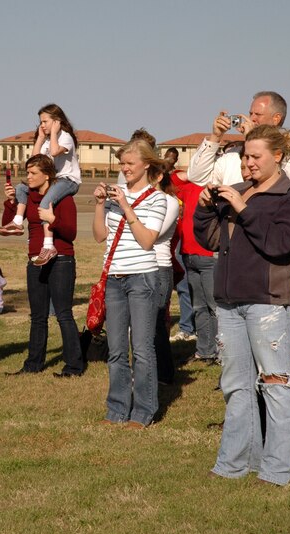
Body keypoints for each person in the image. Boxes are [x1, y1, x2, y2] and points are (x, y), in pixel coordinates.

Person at [193, 125, 290, 486]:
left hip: (270, 304)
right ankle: (235, 463)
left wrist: (244, 208)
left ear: (278, 156)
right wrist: (205, 211)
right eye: (245, 156)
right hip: (230, 302)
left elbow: (278, 244)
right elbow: (211, 238)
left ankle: (278, 470)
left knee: (275, 385)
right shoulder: (238, 192)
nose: (248, 163)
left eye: (256, 156)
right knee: (236, 385)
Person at [93, 140, 168, 428]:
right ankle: (116, 409)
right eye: (122, 164)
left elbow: (148, 240)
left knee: (142, 348)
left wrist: (126, 206)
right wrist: (102, 205)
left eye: (130, 164)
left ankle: (144, 411)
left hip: (142, 279)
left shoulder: (157, 198)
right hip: (114, 277)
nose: (124, 169)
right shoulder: (114, 196)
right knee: (115, 349)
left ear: (146, 164)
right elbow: (100, 236)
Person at [3, 154, 84, 376]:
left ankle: (74, 366)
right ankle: (33, 365)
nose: (28, 177)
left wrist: (52, 219)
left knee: (63, 314)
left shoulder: (64, 198)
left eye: (33, 173)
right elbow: (7, 225)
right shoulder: (27, 198)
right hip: (35, 260)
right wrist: (11, 204)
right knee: (38, 316)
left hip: (61, 260)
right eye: (27, 172)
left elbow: (71, 233)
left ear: (47, 175)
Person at [0, 104, 81, 266]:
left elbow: (55, 151)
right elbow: (35, 161)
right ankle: (18, 222)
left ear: (57, 121)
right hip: (55, 180)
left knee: (44, 204)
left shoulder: (65, 137)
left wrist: (55, 132)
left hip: (67, 180)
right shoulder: (47, 140)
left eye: (45, 121)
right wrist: (41, 138)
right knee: (21, 188)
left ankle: (48, 246)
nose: (42, 125)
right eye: (40, 122)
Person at [188, 91, 290, 189]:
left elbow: (273, 185)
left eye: (258, 114)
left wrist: (252, 139)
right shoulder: (234, 154)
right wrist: (215, 137)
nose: (252, 118)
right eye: (250, 113)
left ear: (276, 118)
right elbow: (197, 176)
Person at [172, 171, 218, 361]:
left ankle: (220, 350)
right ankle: (204, 350)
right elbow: (173, 179)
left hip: (209, 256)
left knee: (214, 307)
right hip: (189, 255)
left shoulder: (214, 188)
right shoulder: (190, 186)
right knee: (198, 306)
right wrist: (193, 172)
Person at [154, 171, 180, 384]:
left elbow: (155, 233)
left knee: (156, 323)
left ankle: (164, 373)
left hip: (160, 267)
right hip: (139, 265)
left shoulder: (170, 201)